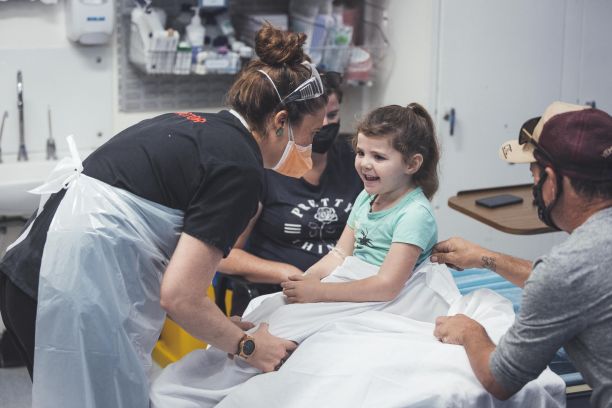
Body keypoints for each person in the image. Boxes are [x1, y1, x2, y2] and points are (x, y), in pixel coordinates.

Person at [0, 23, 327, 408]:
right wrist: (249, 346)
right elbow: (180, 296)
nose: (311, 146)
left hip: (29, 277)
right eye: (312, 133)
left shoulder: (196, 124)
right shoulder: (239, 168)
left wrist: (221, 329)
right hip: (66, 292)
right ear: (280, 121)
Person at [149, 102, 443, 408]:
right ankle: (201, 382)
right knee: (267, 310)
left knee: (290, 334)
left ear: (412, 164)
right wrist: (305, 281)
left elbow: (387, 285)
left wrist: (320, 291)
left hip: (387, 296)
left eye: (379, 157)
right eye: (361, 153)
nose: (365, 164)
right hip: (351, 283)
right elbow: (341, 252)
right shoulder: (368, 196)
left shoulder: (414, 214)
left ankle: (218, 394)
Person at [431, 101, 612, 407]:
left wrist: (470, 331)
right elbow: (583, 282)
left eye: (534, 175)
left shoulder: (567, 269)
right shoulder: (583, 262)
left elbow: (499, 379)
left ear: (551, 181)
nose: (533, 189)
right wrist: (487, 258)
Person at [217, 70, 363, 316]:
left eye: (334, 115)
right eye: (318, 120)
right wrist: (288, 272)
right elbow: (224, 255)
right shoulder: (266, 166)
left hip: (340, 294)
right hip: (279, 296)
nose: (325, 125)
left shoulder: (356, 161)